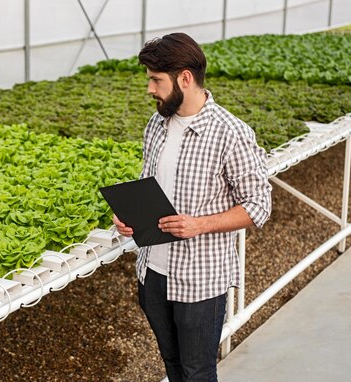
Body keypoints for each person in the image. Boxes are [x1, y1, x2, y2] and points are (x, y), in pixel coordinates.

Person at [112, 33, 272, 382]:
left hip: (199, 281)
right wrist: (125, 217)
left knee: (197, 372)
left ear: (185, 78)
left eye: (156, 80)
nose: (150, 89)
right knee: (171, 364)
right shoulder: (156, 124)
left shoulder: (231, 133)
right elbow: (149, 183)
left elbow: (259, 205)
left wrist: (199, 225)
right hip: (152, 273)